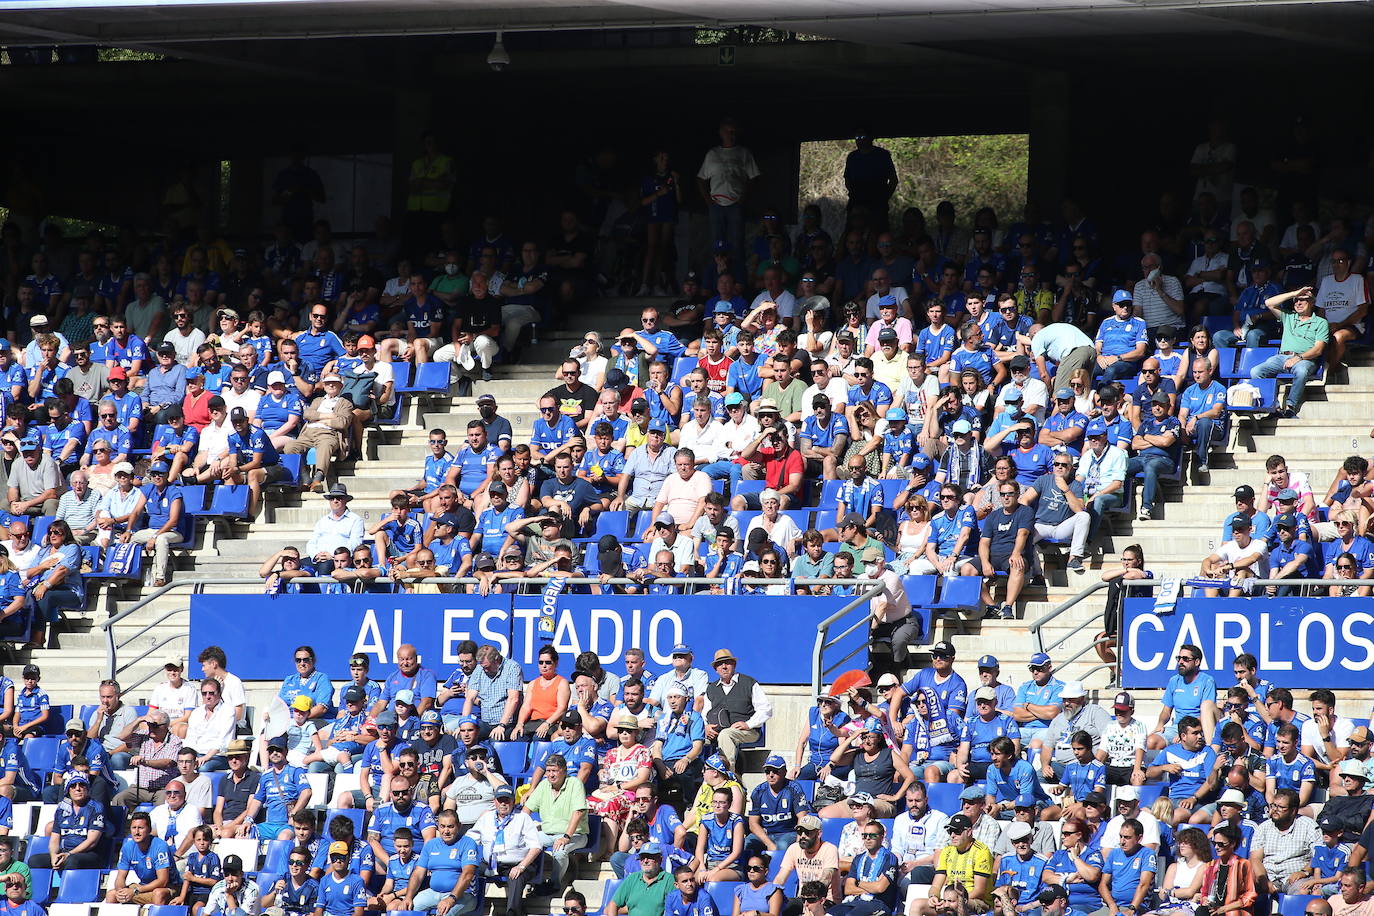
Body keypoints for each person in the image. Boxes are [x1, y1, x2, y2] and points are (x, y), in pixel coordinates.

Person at [1249, 286, 1328, 419]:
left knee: (1301, 371)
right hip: (1282, 357)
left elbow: (1318, 349)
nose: (1298, 303)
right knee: (1255, 372)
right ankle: (1275, 407)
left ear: (1312, 303)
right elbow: (1269, 303)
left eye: (1303, 300)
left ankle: (1290, 407)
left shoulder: (1320, 322)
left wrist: (1299, 357)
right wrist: (1294, 292)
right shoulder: (1289, 316)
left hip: (1305, 359)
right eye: (1296, 300)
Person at [465, 784, 543, 916]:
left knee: (517, 877)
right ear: (494, 801)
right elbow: (469, 839)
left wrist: (521, 866)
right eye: (500, 800)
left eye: (507, 800)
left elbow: (536, 847)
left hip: (517, 864)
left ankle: (513, 913)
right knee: (467, 870)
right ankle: (469, 909)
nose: (503, 803)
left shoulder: (523, 818)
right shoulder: (486, 818)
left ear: (513, 801)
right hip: (490, 863)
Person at [911, 814, 993, 916]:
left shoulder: (981, 851)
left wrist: (956, 901)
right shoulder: (947, 851)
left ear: (969, 832)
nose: (952, 835)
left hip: (977, 901)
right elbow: (936, 885)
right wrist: (933, 897)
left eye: (957, 832)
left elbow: (979, 891)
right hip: (950, 900)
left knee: (959, 905)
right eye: (950, 832)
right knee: (917, 904)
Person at [105, 810, 177, 905]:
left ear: (149, 830)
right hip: (144, 886)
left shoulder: (160, 846)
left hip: (168, 887)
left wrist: (135, 891)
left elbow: (162, 881)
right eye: (134, 828)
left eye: (140, 828)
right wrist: (120, 891)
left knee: (158, 893)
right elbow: (120, 877)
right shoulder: (127, 847)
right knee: (112, 894)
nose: (137, 832)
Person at [606, 843, 675, 916]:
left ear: (660, 859)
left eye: (649, 857)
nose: (645, 861)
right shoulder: (632, 878)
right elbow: (613, 904)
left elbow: (675, 909)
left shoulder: (669, 880)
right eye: (642, 857)